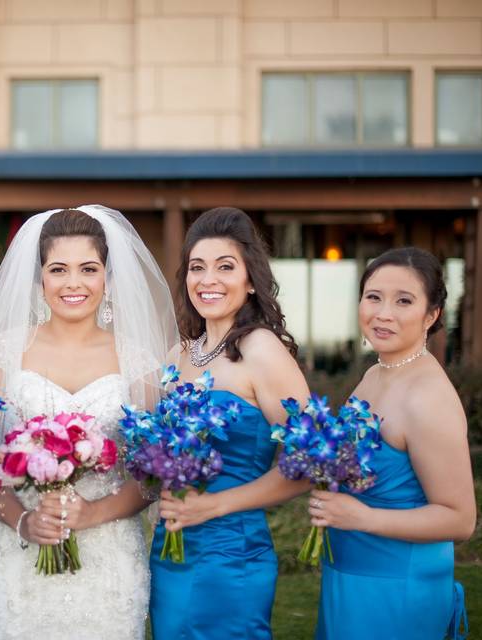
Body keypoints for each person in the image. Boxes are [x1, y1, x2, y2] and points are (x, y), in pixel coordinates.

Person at [0, 206, 178, 640]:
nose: (73, 283)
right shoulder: (1, 356)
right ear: (39, 278)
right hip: (18, 553)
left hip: (109, 556)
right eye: (58, 269)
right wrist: (23, 521)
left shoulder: (139, 364)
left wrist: (94, 512)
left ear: (107, 277)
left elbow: (153, 474)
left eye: (88, 268)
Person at [153, 207, 309, 639]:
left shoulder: (262, 349)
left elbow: (313, 462)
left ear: (251, 279)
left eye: (226, 266)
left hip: (231, 553)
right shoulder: (179, 355)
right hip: (171, 551)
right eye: (197, 267)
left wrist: (216, 504)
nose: (209, 280)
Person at [310, 247, 474, 639]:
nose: (383, 313)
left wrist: (362, 518)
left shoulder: (428, 397)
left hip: (395, 588)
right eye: (373, 297)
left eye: (404, 301)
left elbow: (460, 518)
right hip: (349, 575)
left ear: (431, 315)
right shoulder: (375, 374)